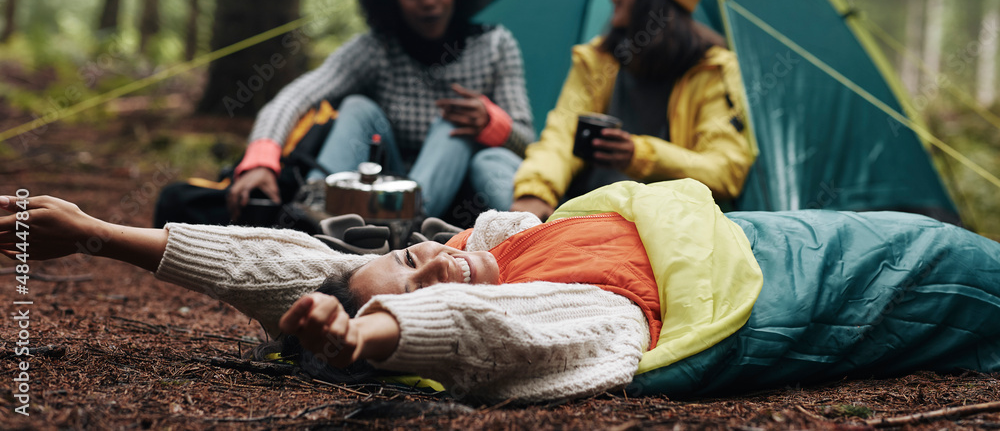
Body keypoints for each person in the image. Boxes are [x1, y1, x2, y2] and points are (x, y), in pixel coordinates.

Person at [7, 185, 1000, 403]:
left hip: (822, 235)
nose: (425, 265)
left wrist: (98, 233)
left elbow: (291, 254)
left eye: (408, 259)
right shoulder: (595, 321)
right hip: (846, 282)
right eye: (409, 280)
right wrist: (367, 337)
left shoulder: (509, 238)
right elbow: (487, 338)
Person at [226, 0, 533, 221]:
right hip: (382, 196)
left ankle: (406, 221)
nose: (429, 1)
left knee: (455, 122)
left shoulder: (495, 46)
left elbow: (528, 145)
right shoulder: (377, 49)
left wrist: (492, 122)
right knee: (357, 107)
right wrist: (260, 161)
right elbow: (296, 97)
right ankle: (317, 209)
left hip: (453, 205)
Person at [510, 0, 754, 220]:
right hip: (579, 213)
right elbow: (560, 135)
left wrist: (640, 156)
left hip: (660, 226)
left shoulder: (712, 70)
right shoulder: (598, 59)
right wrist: (534, 193)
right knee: (493, 165)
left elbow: (726, 170)